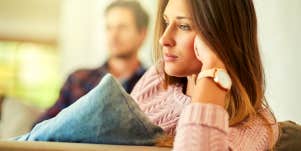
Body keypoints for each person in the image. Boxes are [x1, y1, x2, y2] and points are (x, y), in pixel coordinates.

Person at [130, 0, 279, 150]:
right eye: (166, 22)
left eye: (184, 26)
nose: (164, 39)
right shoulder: (157, 77)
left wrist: (213, 68)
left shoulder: (258, 126)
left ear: (222, 36)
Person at [34, 0, 149, 125]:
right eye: (108, 28)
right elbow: (42, 127)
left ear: (142, 34)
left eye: (122, 28)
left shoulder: (155, 84)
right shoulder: (78, 80)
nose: (113, 36)